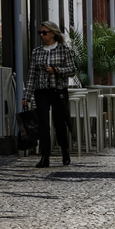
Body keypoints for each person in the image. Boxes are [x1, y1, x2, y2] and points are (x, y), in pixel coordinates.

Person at [22, 22, 77, 167]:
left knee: (59, 123)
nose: (41, 35)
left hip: (58, 90)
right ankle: (45, 156)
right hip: (41, 91)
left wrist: (57, 70)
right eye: (40, 33)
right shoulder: (37, 52)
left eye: (44, 32)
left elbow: (72, 70)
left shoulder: (64, 50)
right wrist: (26, 95)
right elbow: (31, 75)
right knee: (43, 124)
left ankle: (64, 150)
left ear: (53, 33)